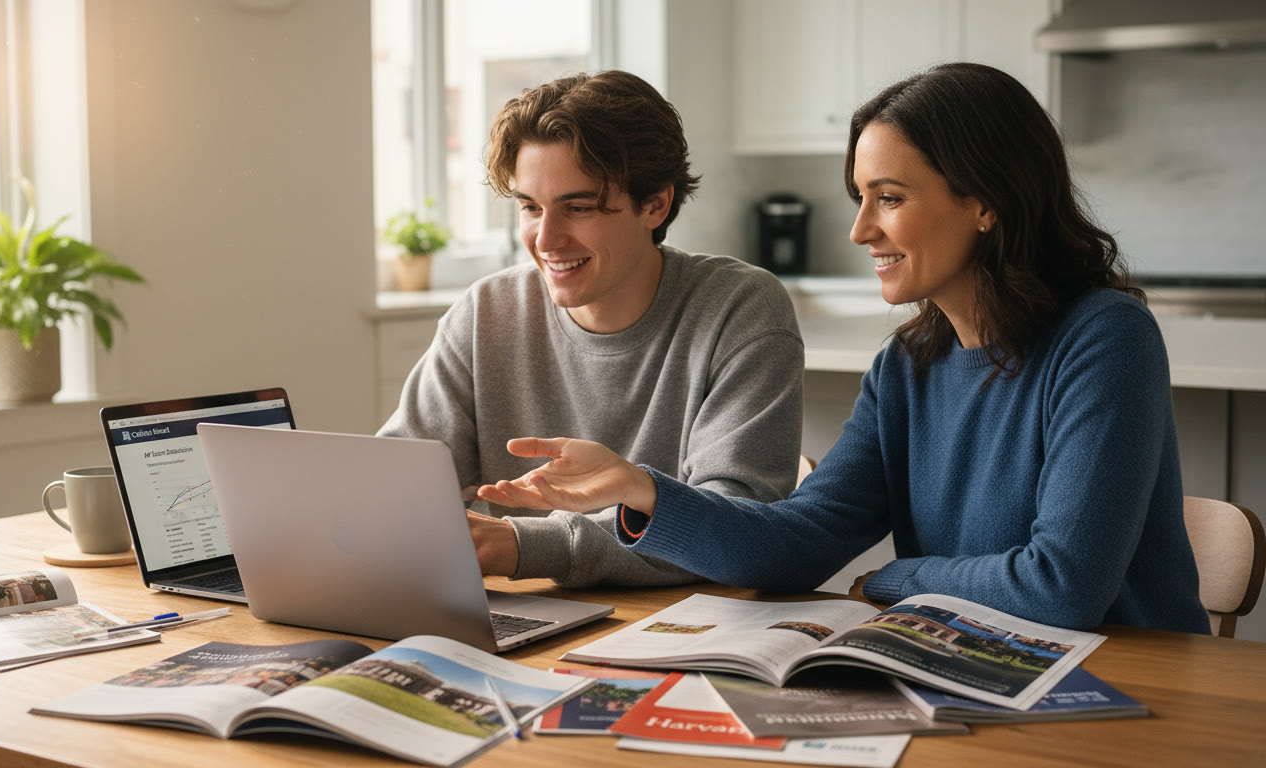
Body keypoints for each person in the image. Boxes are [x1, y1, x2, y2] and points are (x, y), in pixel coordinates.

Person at [476, 62, 1210, 634]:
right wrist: (640, 488)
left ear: (985, 201)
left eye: (889, 198)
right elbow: (796, 541)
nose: (861, 231)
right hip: (975, 680)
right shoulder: (907, 369)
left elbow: (1064, 587)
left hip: (1128, 689)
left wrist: (897, 578)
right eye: (860, 197)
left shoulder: (1105, 338)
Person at [379, 70, 805, 588]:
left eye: (577, 208)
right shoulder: (486, 312)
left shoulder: (739, 309)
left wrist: (522, 545)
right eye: (530, 208)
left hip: (673, 625)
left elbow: (730, 525)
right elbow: (399, 482)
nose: (546, 239)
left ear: (656, 204)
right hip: (524, 614)